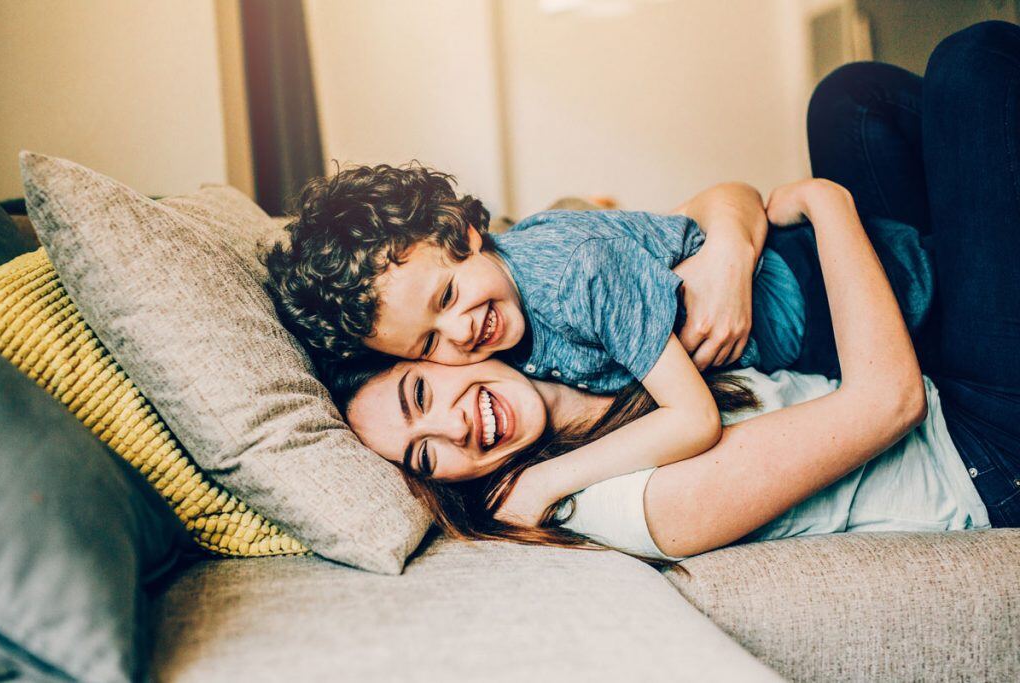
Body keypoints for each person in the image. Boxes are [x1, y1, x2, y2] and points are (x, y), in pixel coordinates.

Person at [327, 21, 1020, 558]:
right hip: (974, 442)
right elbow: (887, 400)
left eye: (421, 390)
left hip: (888, 335)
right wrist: (825, 202)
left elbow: (713, 208)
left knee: (852, 99)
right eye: (425, 456)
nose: (453, 424)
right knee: (975, 61)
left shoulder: (532, 325)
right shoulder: (613, 493)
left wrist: (727, 250)